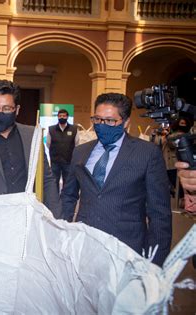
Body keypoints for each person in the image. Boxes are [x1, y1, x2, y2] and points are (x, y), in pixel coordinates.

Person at [61, 93, 172, 266]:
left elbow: (159, 213)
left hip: (127, 250)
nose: (102, 125)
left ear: (126, 122)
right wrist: (63, 233)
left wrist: (155, 262)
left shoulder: (147, 154)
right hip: (84, 247)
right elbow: (68, 196)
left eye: (110, 121)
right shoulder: (81, 152)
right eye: (97, 119)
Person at [0, 80, 61, 218]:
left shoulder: (32, 136)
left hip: (27, 219)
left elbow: (46, 180)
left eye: (6, 109)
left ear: (17, 110)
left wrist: (56, 219)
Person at [46, 109, 79, 191]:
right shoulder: (51, 129)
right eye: (60, 116)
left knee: (68, 182)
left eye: (64, 116)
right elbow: (48, 143)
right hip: (55, 161)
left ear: (67, 117)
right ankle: (55, 199)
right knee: (54, 181)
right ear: (57, 117)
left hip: (68, 161)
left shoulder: (74, 129)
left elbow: (77, 144)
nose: (62, 117)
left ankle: (65, 200)